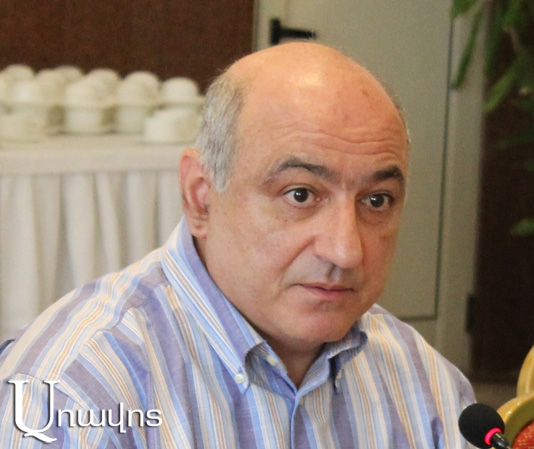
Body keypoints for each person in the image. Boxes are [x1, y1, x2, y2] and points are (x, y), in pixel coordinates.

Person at [0, 42, 475, 448]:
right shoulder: (75, 393)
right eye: (300, 195)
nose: (345, 251)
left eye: (377, 200)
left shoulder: (423, 382)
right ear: (201, 197)